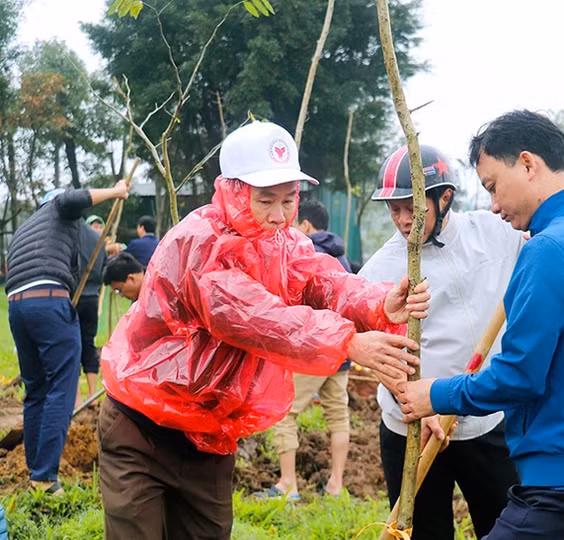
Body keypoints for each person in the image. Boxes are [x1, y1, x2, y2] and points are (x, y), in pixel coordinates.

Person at [97, 121, 431, 540]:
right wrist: (346, 340)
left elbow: (320, 280)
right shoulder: (201, 242)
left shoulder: (280, 241)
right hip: (141, 427)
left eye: (289, 199)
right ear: (234, 191)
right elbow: (253, 317)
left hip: (209, 433)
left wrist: (378, 304)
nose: (279, 214)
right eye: (266, 199)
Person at [396, 110, 564, 540]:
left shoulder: (550, 250)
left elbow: (519, 377)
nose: (493, 206)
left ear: (528, 164)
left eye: (494, 186)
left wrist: (435, 394)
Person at [359, 144, 522, 539]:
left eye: (410, 207)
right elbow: (368, 343)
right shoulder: (381, 268)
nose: (401, 220)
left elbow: (545, 243)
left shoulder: (492, 234)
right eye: (392, 209)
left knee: (506, 526)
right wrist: (409, 397)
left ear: (444, 197)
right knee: (422, 532)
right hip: (411, 428)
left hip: (485, 421)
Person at [5, 181, 130, 495]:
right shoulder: (60, 207)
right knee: (62, 385)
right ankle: (45, 478)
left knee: (36, 390)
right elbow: (73, 199)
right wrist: (115, 192)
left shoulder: (28, 227)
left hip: (16, 306)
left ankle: (36, 470)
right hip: (48, 299)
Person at [268, 199, 353, 499]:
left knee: (284, 414)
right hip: (344, 351)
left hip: (316, 353)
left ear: (304, 225)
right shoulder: (341, 257)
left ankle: (287, 485)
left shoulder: (309, 255)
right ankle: (336, 484)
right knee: (338, 416)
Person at [74, 220, 107, 408]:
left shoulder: (71, 234)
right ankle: (93, 395)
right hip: (92, 297)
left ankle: (77, 399)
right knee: (88, 343)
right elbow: (103, 267)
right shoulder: (98, 238)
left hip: (75, 296)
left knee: (73, 344)